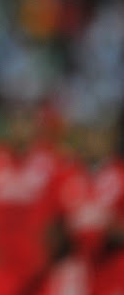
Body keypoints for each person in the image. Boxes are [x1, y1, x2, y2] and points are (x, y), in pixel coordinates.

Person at [0, 103, 67, 295]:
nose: (20, 129)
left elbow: (66, 213)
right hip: (0, 266)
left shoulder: (51, 163)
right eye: (15, 123)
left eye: (25, 123)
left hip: (41, 270)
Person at [37, 122, 124, 295]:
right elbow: (50, 224)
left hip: (114, 266)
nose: (93, 142)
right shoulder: (63, 176)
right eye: (88, 135)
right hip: (74, 266)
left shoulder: (120, 176)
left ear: (111, 139)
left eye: (99, 135)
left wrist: (109, 232)